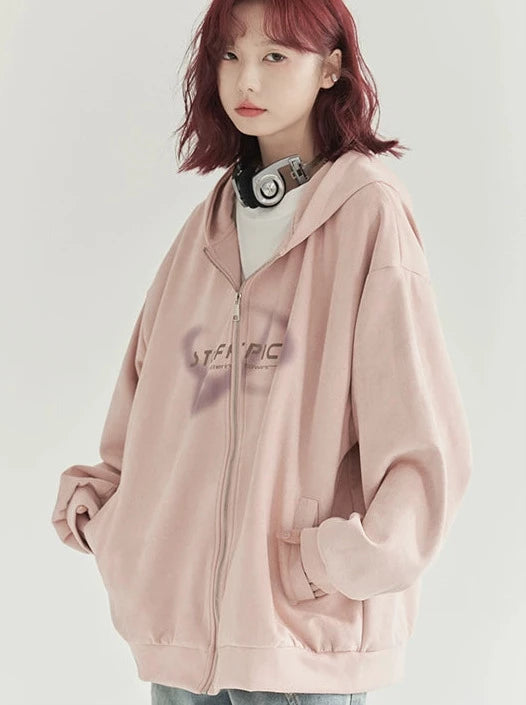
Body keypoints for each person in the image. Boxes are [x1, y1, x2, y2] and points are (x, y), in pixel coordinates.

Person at [50, 1, 473, 704]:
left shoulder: (367, 214)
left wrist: (333, 563)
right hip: (180, 652)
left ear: (330, 67)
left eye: (275, 56)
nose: (247, 79)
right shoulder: (206, 229)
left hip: (300, 640)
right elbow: (141, 414)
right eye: (231, 55)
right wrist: (126, 532)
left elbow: (423, 446)